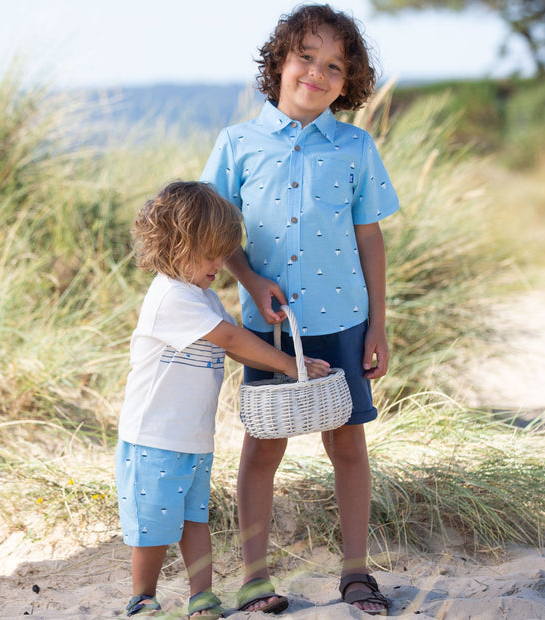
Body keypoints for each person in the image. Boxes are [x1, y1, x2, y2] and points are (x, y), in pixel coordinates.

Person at [200, 4, 399, 616]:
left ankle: (357, 574)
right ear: (280, 63)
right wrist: (252, 279)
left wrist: (378, 328)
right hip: (271, 328)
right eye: (306, 57)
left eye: (334, 65)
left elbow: (369, 236)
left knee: (347, 443)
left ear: (349, 81)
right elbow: (217, 230)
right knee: (263, 446)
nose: (317, 71)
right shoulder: (237, 143)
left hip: (343, 319)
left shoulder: (354, 147)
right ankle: (256, 578)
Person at [115, 181, 330, 618]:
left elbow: (233, 344)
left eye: (222, 253)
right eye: (211, 254)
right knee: (154, 527)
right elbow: (230, 337)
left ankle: (201, 595)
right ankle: (143, 595)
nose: (220, 264)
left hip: (194, 438)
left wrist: (274, 336)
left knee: (195, 518)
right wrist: (291, 365)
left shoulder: (204, 296)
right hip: (153, 437)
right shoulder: (170, 298)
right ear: (175, 246)